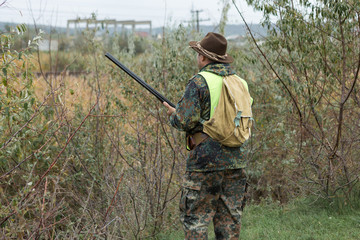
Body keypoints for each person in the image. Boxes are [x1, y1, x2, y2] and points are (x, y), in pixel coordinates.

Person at [163, 32, 251, 240]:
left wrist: (173, 114)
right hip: (236, 162)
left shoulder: (200, 81)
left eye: (198, 54)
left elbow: (184, 121)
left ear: (203, 57)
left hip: (205, 164)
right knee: (229, 223)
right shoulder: (240, 82)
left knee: (196, 221)